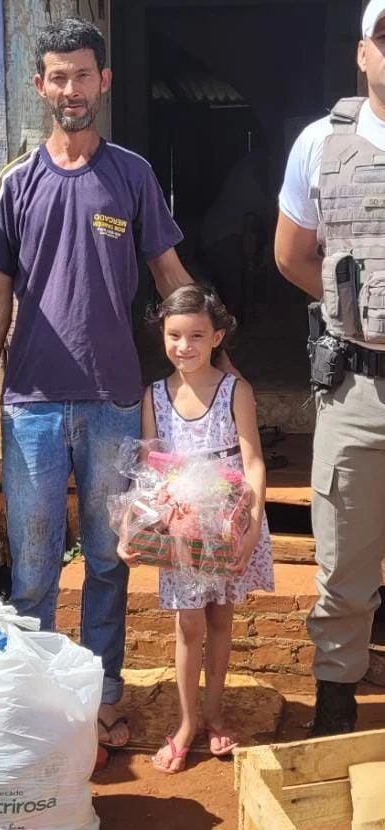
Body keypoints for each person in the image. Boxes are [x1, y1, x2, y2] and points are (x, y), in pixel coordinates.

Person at [0, 17, 195, 752]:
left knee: (106, 559)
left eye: (82, 75)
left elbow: (168, 276)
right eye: (57, 77)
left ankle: (101, 695)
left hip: (113, 403)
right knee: (31, 569)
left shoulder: (130, 176)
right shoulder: (18, 183)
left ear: (105, 81)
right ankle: (38, 704)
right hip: (30, 403)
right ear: (40, 87)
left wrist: (205, 359)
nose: (71, 89)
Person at [275, 0, 385, 736]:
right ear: (363, 53)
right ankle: (338, 704)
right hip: (360, 383)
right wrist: (355, 311)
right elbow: (291, 255)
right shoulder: (321, 141)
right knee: (344, 557)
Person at [118, 284, 274, 773]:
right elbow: (148, 467)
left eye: (196, 336)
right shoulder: (155, 396)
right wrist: (131, 524)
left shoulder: (235, 391)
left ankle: (214, 715)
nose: (183, 346)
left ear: (217, 337)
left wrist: (250, 527)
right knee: (188, 624)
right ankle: (187, 723)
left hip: (228, 524)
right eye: (174, 335)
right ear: (162, 335)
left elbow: (252, 461)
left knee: (221, 618)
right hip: (180, 527)